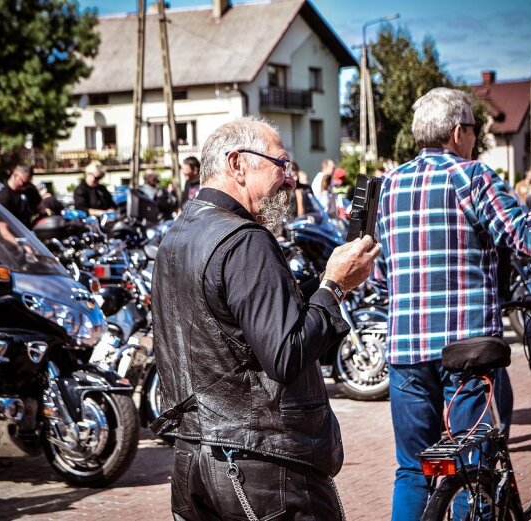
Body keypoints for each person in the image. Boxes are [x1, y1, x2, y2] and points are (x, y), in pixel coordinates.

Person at [150, 116, 380, 520]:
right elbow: (286, 353)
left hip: (195, 460)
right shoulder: (244, 240)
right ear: (237, 164)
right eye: (280, 164)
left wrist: (324, 281)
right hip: (261, 467)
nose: (289, 181)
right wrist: (334, 290)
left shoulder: (179, 234)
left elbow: (237, 322)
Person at [377, 87, 531, 520]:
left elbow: (375, 273)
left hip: (406, 350)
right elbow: (528, 240)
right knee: (473, 468)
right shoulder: (473, 177)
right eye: (473, 130)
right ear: (459, 132)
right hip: (466, 351)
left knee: (412, 469)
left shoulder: (387, 185)